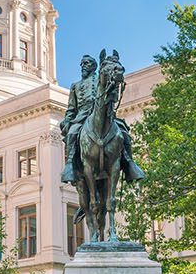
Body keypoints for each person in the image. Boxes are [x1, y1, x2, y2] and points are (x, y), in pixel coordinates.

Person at [60, 53, 145, 185]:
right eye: (82, 64)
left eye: (86, 63)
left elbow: (114, 96)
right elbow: (72, 108)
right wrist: (67, 120)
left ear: (94, 66)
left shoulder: (102, 79)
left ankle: (129, 162)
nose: (83, 66)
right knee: (72, 133)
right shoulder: (75, 86)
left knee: (123, 131)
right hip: (82, 116)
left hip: (105, 114)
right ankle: (70, 163)